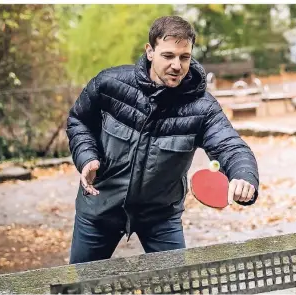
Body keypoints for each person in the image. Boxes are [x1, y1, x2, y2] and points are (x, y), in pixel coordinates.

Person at [65, 16, 260, 264]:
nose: (177, 65)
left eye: (184, 57)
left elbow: (230, 146)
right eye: (168, 56)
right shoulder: (109, 84)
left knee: (177, 287)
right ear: (150, 52)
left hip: (161, 216)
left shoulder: (202, 107)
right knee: (77, 287)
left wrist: (244, 175)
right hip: (98, 206)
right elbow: (78, 121)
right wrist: (87, 157)